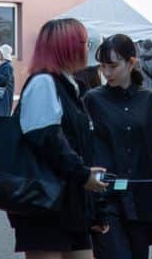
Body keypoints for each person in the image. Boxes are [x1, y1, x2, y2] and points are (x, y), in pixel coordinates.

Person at [9, 18, 109, 258]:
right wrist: (82, 174)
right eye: (84, 42)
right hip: (45, 202)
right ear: (69, 47)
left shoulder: (67, 84)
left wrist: (93, 206)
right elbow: (47, 139)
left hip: (68, 201)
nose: (88, 48)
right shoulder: (44, 82)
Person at [85, 35, 152, 259]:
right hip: (105, 198)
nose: (107, 73)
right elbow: (85, 149)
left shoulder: (148, 101)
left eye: (113, 66)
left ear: (131, 62)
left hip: (141, 196)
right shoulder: (92, 100)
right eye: (102, 66)